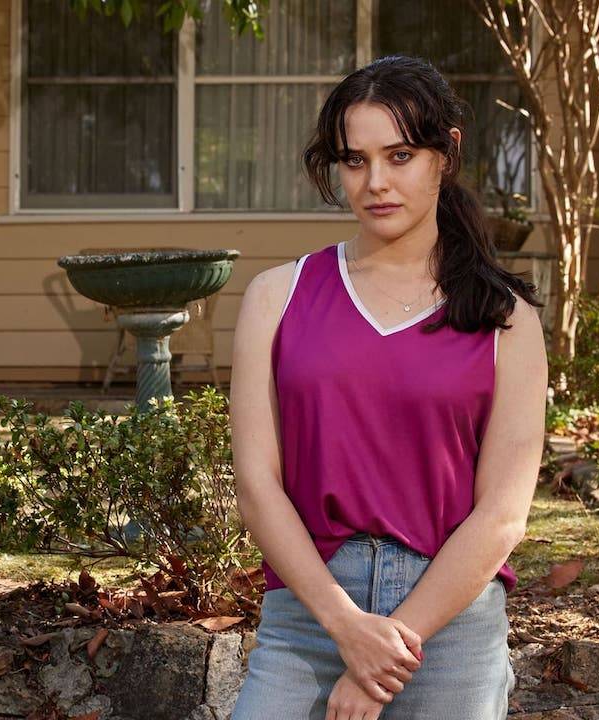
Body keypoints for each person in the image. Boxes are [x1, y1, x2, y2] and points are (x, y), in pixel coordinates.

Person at [229, 55, 547, 720]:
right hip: (310, 615)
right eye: (355, 160)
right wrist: (347, 628)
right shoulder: (276, 297)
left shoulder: (505, 319)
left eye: (400, 156)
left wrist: (386, 654)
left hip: (451, 627)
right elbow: (257, 486)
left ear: (445, 154)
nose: (376, 182)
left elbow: (502, 515)